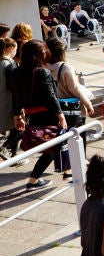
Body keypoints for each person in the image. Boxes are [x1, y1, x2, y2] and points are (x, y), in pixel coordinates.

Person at [10, 40, 66, 189]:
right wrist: (60, 114)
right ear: (39, 54)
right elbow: (50, 96)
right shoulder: (41, 72)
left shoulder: (16, 72)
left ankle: (67, 171)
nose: (45, 53)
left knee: (52, 146)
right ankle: (33, 181)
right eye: (43, 51)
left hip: (31, 115)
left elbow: (16, 96)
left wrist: (17, 116)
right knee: (52, 147)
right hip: (48, 114)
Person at [0, 38, 22, 162]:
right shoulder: (10, 64)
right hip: (10, 102)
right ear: (11, 48)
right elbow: (14, 87)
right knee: (19, 128)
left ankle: (13, 155)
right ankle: (6, 149)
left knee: (15, 129)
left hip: (3, 101)